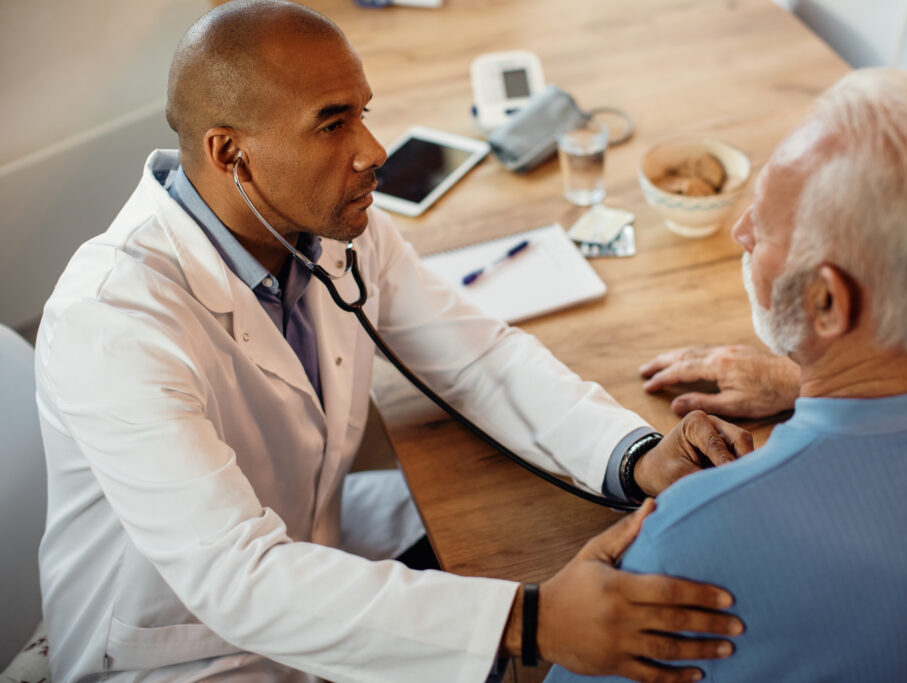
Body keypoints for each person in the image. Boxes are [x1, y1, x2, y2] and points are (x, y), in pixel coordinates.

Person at [34, 2, 752, 681]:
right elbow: (236, 578)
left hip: (312, 542)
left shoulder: (329, 230)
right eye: (332, 124)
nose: (373, 150)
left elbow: (478, 358)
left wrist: (633, 456)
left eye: (364, 114)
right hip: (176, 650)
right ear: (232, 154)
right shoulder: (113, 320)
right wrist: (527, 619)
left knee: (513, 535)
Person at [547, 68, 907, 682]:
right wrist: (802, 379)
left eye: (765, 224)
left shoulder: (687, 546)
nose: (741, 230)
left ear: (827, 304)